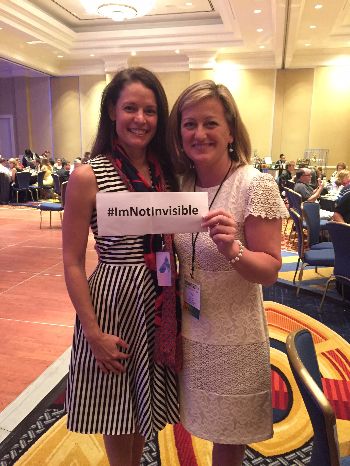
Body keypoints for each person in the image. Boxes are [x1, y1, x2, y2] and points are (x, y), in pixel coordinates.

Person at [63, 67, 180, 466]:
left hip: (158, 298)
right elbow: (72, 261)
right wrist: (92, 332)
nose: (141, 120)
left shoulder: (165, 173)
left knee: (140, 410)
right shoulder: (88, 175)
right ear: (112, 110)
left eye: (150, 111)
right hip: (113, 302)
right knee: (117, 409)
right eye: (130, 108)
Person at [167, 80, 288, 466]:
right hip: (191, 331)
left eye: (210, 123)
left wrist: (233, 249)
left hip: (234, 338)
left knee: (229, 440)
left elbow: (270, 270)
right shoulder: (180, 187)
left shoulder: (255, 185)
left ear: (231, 130)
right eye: (189, 124)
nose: (199, 134)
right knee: (197, 422)